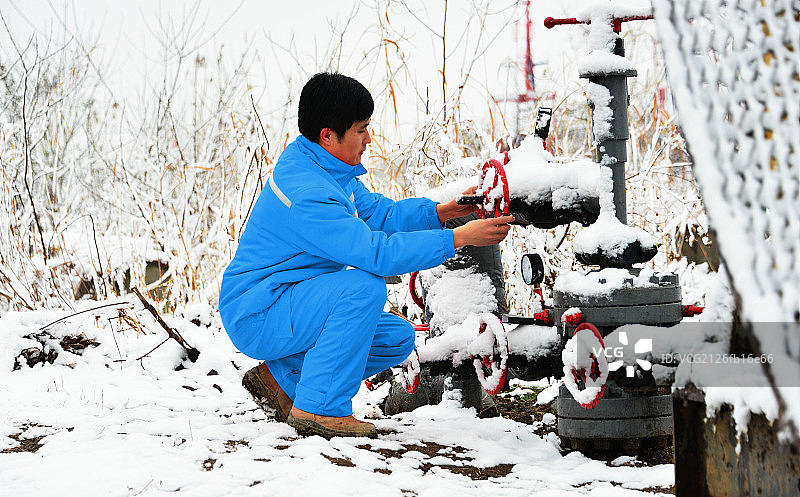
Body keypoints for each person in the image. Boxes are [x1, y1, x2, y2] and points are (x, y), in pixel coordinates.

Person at [218, 72, 514, 438]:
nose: (368, 138)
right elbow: (377, 254)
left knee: (396, 338)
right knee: (363, 287)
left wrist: (442, 212)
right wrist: (457, 238)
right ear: (328, 135)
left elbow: (381, 216)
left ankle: (281, 379)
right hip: (259, 311)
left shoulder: (325, 168)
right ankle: (319, 409)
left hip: (287, 299)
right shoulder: (310, 193)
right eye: (361, 129)